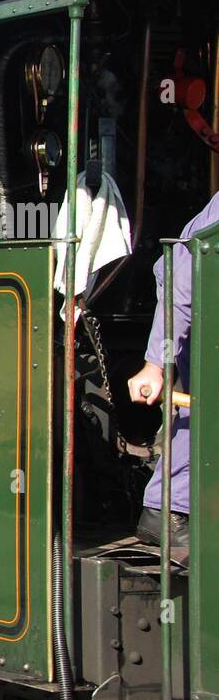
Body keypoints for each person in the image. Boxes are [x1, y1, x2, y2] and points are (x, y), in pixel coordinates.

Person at [127, 191, 219, 563]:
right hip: (195, 302)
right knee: (205, 405)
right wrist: (156, 363)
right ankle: (165, 509)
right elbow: (182, 285)